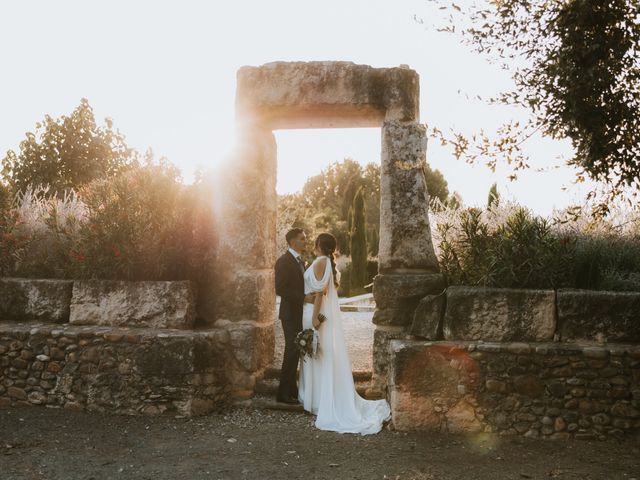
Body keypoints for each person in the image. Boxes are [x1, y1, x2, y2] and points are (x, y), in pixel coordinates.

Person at [298, 232, 391, 434]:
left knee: (316, 354)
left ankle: (317, 400)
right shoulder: (325, 262)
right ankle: (316, 398)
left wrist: (314, 317)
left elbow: (320, 294)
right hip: (312, 311)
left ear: (319, 245)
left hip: (313, 315)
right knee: (316, 354)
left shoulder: (320, 261)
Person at [274, 228, 316, 404]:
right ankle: (282, 393)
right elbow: (281, 289)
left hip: (300, 314)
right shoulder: (284, 261)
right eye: (302, 239)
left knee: (297, 350)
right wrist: (303, 297)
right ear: (292, 242)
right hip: (290, 314)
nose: (305, 241)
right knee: (291, 351)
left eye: (305, 238)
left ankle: (291, 389)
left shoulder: (300, 261)